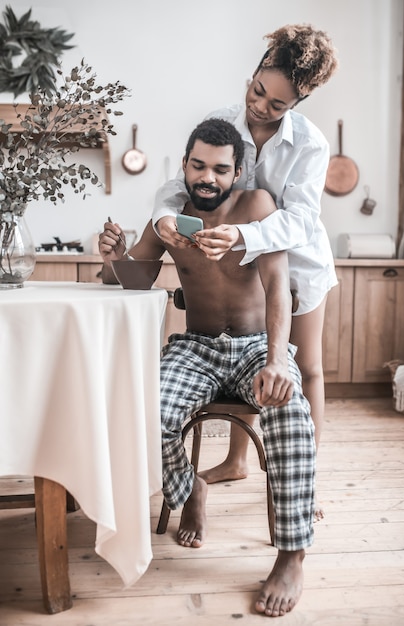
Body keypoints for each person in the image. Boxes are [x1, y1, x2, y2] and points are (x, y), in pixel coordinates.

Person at [99, 118, 316, 618]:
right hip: (195, 346)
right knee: (146, 410)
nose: (207, 178)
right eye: (198, 165)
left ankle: (291, 554)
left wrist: (279, 361)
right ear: (184, 165)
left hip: (256, 345)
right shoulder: (169, 218)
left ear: (238, 172)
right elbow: (133, 280)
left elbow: (278, 285)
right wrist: (112, 258)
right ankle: (189, 485)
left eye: (220, 169)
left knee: (290, 414)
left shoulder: (257, 208)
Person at [151, 25, 338, 517]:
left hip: (295, 261)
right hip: (238, 259)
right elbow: (180, 184)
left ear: (299, 101)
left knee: (303, 367)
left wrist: (242, 235)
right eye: (258, 90)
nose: (261, 106)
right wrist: (164, 219)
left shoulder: (310, 145)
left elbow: (299, 220)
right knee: (244, 358)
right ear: (254, 73)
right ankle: (237, 461)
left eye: (277, 104)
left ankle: (306, 479)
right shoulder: (220, 121)